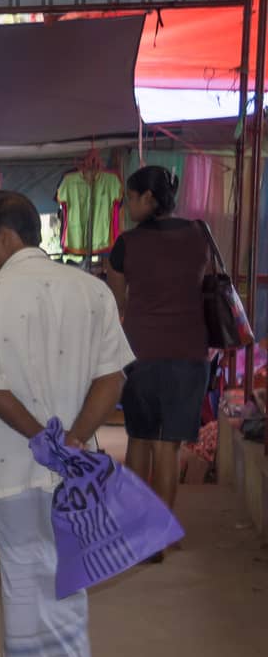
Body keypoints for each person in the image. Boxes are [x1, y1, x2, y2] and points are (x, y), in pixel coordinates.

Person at [0, 191, 133, 657]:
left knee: (23, 573)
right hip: (76, 463)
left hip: (13, 462)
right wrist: (73, 439)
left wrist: (41, 438)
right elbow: (113, 375)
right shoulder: (92, 290)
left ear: (7, 236)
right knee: (66, 570)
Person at [104, 165, 211, 544]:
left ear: (147, 199)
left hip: (141, 352)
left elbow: (117, 301)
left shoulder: (126, 244)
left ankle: (136, 528)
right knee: (169, 447)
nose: (126, 206)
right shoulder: (199, 234)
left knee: (140, 440)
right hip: (189, 353)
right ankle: (159, 533)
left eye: (130, 198)